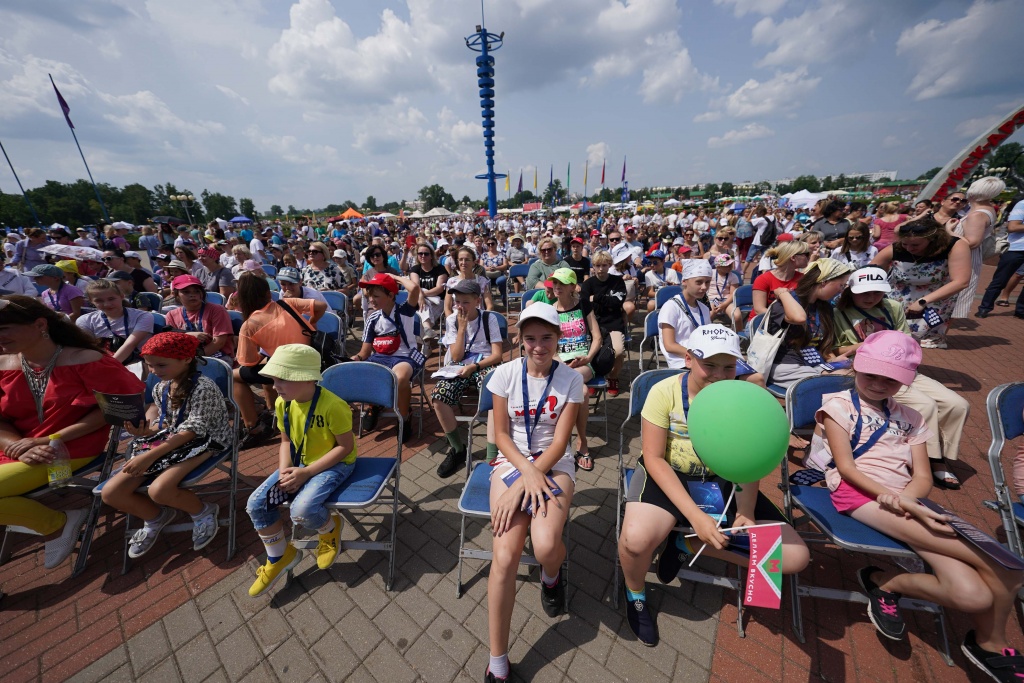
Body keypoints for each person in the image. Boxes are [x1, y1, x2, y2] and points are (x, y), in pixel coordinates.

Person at [809, 330, 1023, 680]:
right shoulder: (839, 406)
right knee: (1009, 567)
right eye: (871, 374)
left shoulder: (913, 417)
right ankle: (992, 645)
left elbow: (923, 475)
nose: (879, 383)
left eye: (890, 378)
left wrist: (909, 500)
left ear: (904, 380)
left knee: (972, 595)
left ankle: (883, 582)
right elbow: (846, 468)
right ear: (856, 368)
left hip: (908, 500)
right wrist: (895, 499)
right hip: (859, 493)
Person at [618, 323, 809, 646]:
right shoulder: (664, 392)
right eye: (709, 365)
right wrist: (696, 517)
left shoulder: (746, 398)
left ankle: (688, 544)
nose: (720, 375)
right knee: (635, 541)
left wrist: (745, 512)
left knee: (794, 557)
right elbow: (654, 459)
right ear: (689, 359)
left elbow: (751, 459)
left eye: (729, 366)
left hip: (724, 479)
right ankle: (635, 593)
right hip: (670, 474)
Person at [0, 295, 145, 568]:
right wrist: (15, 444)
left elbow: (118, 408)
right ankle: (56, 521)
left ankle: (56, 524)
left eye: (3, 328)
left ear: (40, 324)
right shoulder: (2, 364)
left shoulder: (85, 359)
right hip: (15, 449)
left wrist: (46, 440)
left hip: (69, 449)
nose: (0, 337)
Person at [484, 302, 583, 683]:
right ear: (520, 340)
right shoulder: (504, 374)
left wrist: (531, 476)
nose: (538, 346)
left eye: (546, 338)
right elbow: (502, 436)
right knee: (505, 555)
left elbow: (560, 443)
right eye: (530, 339)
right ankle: (497, 662)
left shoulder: (571, 379)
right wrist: (523, 476)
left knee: (544, 548)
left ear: (559, 338)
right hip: (512, 462)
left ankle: (552, 577)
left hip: (554, 464)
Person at [832, 267, 970, 489]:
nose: (871, 298)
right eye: (864, 292)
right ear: (851, 290)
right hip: (869, 370)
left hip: (899, 367)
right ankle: (932, 461)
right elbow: (839, 350)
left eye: (877, 292)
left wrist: (887, 344)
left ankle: (938, 451)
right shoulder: (839, 312)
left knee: (957, 404)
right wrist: (877, 342)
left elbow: (905, 339)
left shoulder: (892, 307)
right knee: (926, 405)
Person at [100, 333, 231, 558]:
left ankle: (202, 511)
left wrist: (150, 455)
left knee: (160, 490)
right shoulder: (162, 387)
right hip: (175, 439)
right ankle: (155, 517)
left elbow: (193, 430)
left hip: (208, 440)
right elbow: (168, 423)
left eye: (161, 364)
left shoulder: (203, 387)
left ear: (186, 359)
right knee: (111, 493)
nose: (154, 371)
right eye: (149, 365)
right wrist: (146, 431)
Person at [242, 344, 357, 596]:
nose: (275, 386)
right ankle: (279, 557)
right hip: (299, 463)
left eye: (282, 380)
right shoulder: (284, 403)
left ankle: (329, 529)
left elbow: (345, 448)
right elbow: (286, 441)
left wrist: (306, 473)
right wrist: (285, 471)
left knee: (301, 511)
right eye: (274, 379)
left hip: (336, 464)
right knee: (256, 505)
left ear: (307, 378)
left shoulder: (334, 405)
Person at [234, 272, 328, 448]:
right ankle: (273, 411)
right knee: (269, 370)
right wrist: (312, 322)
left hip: (289, 370)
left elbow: (248, 362)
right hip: (312, 361)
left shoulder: (249, 325)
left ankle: (253, 426)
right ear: (268, 294)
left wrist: (265, 354)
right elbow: (321, 305)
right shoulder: (287, 303)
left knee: (234, 376)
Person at [430, 279, 503, 478]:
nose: (460, 306)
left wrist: (476, 366)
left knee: (495, 395)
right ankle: (458, 448)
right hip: (461, 365)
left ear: (477, 301)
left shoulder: (489, 319)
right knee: (438, 397)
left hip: (484, 363)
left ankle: (492, 455)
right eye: (457, 301)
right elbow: (455, 357)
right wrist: (461, 328)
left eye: (465, 302)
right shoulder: (453, 320)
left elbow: (497, 355)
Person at [871, 213, 971, 349]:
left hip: (934, 299)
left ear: (932, 240)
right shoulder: (896, 248)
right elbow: (872, 270)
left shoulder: (954, 245)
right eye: (905, 243)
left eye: (915, 245)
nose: (909, 249)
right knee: (892, 338)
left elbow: (961, 281)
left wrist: (923, 302)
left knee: (917, 340)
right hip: (899, 297)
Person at [352, 272, 422, 443]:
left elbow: (414, 288)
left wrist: (392, 277)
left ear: (391, 295)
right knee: (360, 372)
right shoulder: (373, 318)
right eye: (369, 296)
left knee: (399, 378)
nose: (371, 300)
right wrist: (357, 358)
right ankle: (374, 405)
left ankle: (404, 417)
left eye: (376, 296)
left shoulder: (405, 311)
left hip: (405, 357)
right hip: (380, 357)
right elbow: (365, 352)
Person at [762, 258, 854, 389]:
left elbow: (824, 348)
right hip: (786, 366)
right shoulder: (786, 303)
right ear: (824, 282)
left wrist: (834, 361)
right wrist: (783, 293)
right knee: (839, 384)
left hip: (815, 365)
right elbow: (799, 318)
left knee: (852, 377)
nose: (841, 290)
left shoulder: (824, 308)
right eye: (841, 285)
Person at [547, 268, 603, 472]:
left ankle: (560, 445)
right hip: (559, 363)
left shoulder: (583, 305)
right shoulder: (550, 311)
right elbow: (549, 345)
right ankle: (581, 442)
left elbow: (597, 337)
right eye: (555, 282)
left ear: (572, 286)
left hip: (583, 363)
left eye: (562, 283)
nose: (557, 286)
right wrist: (559, 362)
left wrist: (588, 357)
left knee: (577, 381)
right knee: (583, 391)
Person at [949, 177, 1003, 319]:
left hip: (963, 260)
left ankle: (937, 337)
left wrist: (949, 232)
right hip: (966, 259)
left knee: (951, 300)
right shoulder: (986, 210)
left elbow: (972, 242)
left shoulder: (978, 214)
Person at [579, 251, 627, 397]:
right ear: (593, 266)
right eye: (597, 265)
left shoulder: (618, 282)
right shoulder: (588, 284)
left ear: (609, 265)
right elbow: (585, 304)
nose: (601, 269)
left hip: (614, 323)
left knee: (618, 351)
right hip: (593, 324)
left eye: (604, 265)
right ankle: (593, 374)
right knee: (591, 350)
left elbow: (618, 301)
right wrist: (607, 301)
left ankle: (613, 377)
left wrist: (597, 298)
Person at [77, 280, 154, 365]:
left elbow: (131, 344)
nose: (107, 304)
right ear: (91, 301)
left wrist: (111, 367)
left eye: (111, 299)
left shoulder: (142, 316)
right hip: (103, 362)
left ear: (122, 296)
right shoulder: (85, 320)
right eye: (99, 301)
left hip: (138, 362)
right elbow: (88, 348)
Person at [163, 275, 235, 361]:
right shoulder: (171, 315)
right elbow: (172, 341)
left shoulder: (217, 310)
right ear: (176, 295)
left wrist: (196, 359)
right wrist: (187, 335)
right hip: (186, 359)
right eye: (186, 292)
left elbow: (219, 342)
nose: (192, 295)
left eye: (196, 291)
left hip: (217, 356)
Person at [659, 260, 713, 370]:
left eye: (707, 282)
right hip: (682, 362)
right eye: (699, 282)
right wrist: (699, 356)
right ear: (684, 281)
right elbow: (670, 346)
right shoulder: (671, 307)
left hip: (703, 359)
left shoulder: (704, 308)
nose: (704, 287)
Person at [977, 197, 1024, 320]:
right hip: (1016, 248)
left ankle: (1021, 310)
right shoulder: (1022, 204)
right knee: (1000, 280)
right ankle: (984, 308)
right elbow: (1013, 227)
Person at [409, 241, 449, 340]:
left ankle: (426, 341)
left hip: (438, 302)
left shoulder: (440, 269)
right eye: (420, 253)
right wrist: (421, 296)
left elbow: (439, 289)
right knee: (423, 306)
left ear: (431, 256)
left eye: (426, 254)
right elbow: (416, 286)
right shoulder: (415, 269)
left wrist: (422, 295)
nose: (423, 256)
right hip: (421, 302)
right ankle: (428, 331)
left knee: (421, 311)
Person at [708, 254, 741, 329]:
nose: (730, 267)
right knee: (709, 315)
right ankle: (704, 333)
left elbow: (733, 293)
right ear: (718, 267)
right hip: (712, 299)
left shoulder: (733, 276)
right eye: (727, 265)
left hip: (727, 300)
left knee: (737, 316)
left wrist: (724, 304)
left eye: (731, 264)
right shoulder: (710, 274)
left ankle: (738, 335)